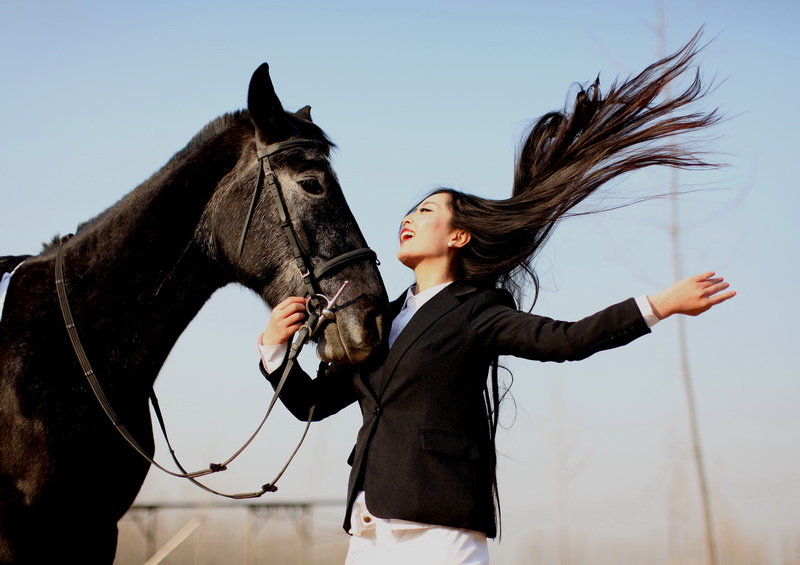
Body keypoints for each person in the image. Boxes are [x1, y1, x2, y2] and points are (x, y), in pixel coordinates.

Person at [257, 33, 735, 565]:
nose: (408, 218)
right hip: (368, 531)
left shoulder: (478, 311)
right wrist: (274, 351)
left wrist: (659, 304)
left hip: (440, 528)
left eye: (426, 212)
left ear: (458, 237)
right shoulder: (379, 319)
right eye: (410, 211)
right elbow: (313, 406)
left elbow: (568, 341)